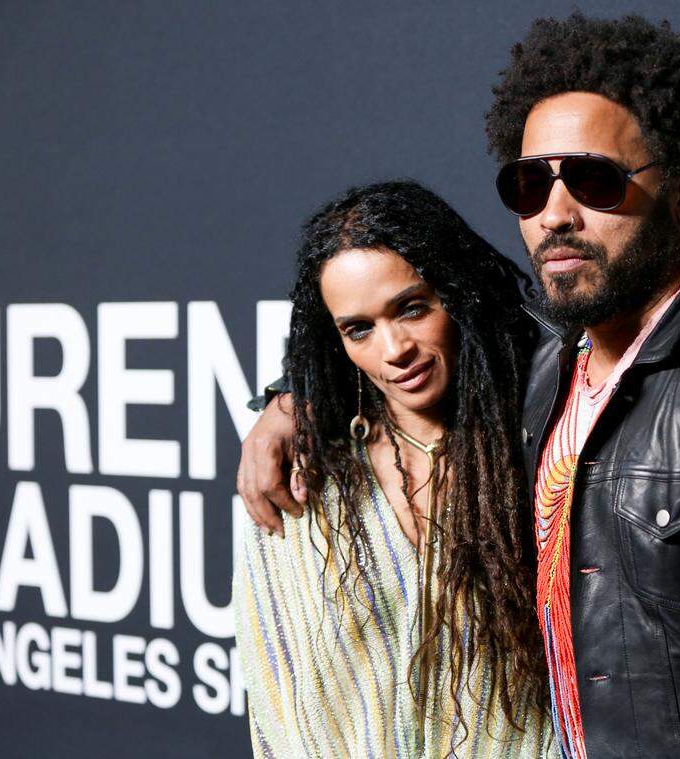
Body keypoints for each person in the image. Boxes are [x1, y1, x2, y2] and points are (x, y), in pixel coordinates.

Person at [240, 14, 680, 758]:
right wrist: (290, 401)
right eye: (530, 185)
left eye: (595, 181)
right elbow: (411, 333)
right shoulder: (551, 361)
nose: (555, 214)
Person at [232, 181, 557, 758]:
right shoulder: (307, 476)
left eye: (412, 308)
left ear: (458, 295)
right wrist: (289, 402)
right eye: (358, 328)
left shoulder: (541, 443)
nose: (394, 349)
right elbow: (278, 689)